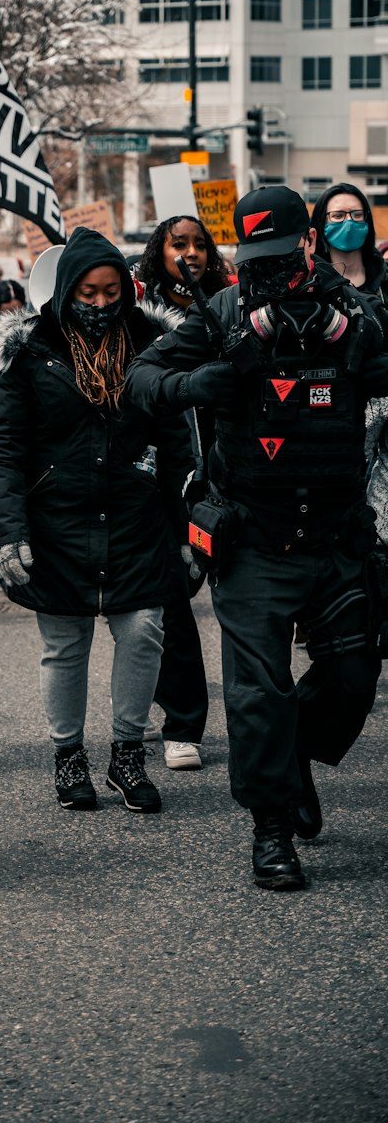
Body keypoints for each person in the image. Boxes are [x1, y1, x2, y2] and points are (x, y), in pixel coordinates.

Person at [129, 186, 388, 890]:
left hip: (336, 536)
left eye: (277, 255)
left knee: (354, 679)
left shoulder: (358, 310)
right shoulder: (219, 313)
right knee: (256, 695)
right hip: (252, 539)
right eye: (253, 258)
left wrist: (363, 353)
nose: (266, 269)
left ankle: (296, 751)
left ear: (307, 241)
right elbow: (141, 380)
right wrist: (204, 382)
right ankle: (270, 828)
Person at [0, 227, 190, 817]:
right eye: (87, 293)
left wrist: (186, 532)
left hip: (136, 518)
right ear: (65, 291)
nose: (100, 304)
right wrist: (10, 532)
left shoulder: (155, 344)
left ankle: (128, 754)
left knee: (145, 631)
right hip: (58, 524)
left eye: (111, 291)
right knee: (65, 644)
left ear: (126, 288)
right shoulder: (30, 352)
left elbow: (179, 444)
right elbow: (1, 450)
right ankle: (68, 756)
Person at [131, 214, 232, 772]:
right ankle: (178, 720)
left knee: (218, 592)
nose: (189, 254)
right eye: (178, 244)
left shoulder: (228, 306)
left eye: (199, 245)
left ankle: (221, 712)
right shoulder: (140, 314)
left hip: (221, 469)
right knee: (166, 599)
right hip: (162, 469)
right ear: (158, 253)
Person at [310, 183, 388, 304]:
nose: (349, 222)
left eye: (357, 215)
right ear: (321, 222)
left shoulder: (384, 276)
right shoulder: (311, 283)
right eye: (338, 215)